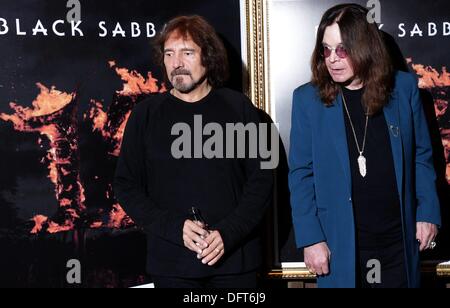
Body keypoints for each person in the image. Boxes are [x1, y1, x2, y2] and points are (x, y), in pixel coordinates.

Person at [114, 15, 273, 288]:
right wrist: (175, 228)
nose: (177, 63)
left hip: (235, 264)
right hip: (172, 266)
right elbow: (126, 186)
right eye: (169, 54)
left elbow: (263, 181)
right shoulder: (145, 115)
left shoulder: (240, 108)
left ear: (208, 57)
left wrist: (228, 233)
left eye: (187, 53)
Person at [288, 4, 441, 288]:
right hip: (341, 246)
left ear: (364, 47)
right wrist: (311, 238)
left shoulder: (403, 89)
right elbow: (300, 174)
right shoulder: (308, 100)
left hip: (399, 243)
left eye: (342, 49)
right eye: (326, 49)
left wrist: (428, 212)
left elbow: (422, 156)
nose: (332, 59)